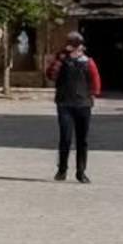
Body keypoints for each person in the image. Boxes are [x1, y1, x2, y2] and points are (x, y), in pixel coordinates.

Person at [45, 31, 101, 183]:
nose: (76, 49)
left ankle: (81, 172)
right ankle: (62, 170)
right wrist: (60, 59)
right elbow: (50, 75)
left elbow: (95, 80)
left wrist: (93, 94)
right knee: (65, 138)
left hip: (83, 104)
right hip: (65, 104)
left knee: (82, 139)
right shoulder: (61, 60)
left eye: (78, 46)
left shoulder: (88, 62)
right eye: (73, 46)